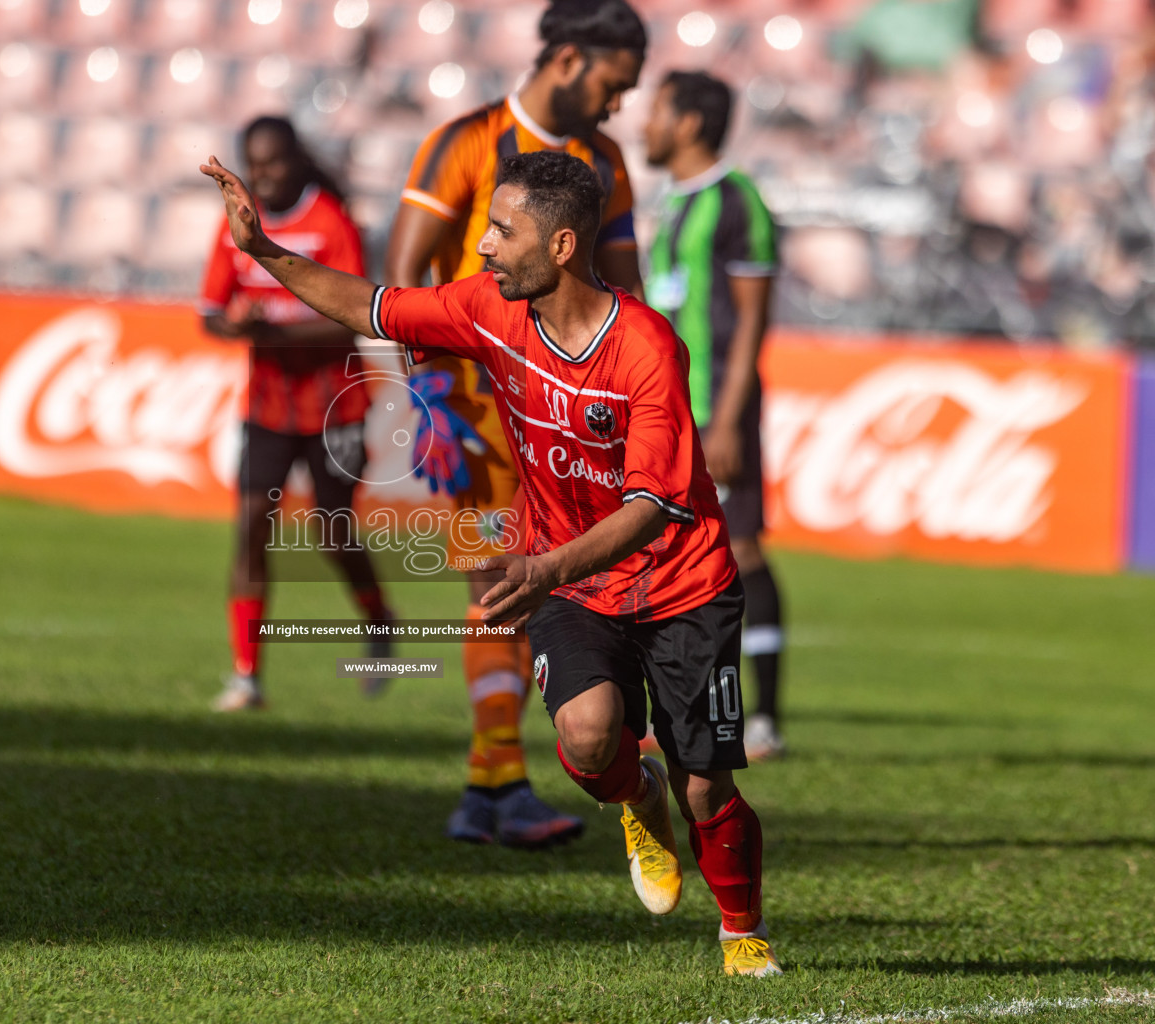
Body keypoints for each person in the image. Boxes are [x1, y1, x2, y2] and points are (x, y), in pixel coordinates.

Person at [201, 148, 782, 976]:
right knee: (587, 739)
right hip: (568, 575)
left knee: (709, 790)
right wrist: (263, 251)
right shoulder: (485, 307)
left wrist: (544, 570)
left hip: (683, 584)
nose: (482, 248)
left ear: (562, 247)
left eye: (502, 232)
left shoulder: (647, 350)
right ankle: (636, 797)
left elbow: (651, 509)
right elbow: (370, 306)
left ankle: (740, 930)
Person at [383, 0, 649, 850]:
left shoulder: (604, 161)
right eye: (615, 83)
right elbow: (402, 276)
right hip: (479, 416)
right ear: (571, 59)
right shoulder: (466, 140)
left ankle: (502, 786)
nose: (620, 104)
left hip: (578, 419)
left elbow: (628, 289)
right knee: (496, 588)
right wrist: (424, 404)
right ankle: (498, 783)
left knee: (592, 584)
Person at [200, 116, 395, 712]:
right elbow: (208, 311)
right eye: (255, 164)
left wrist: (271, 331)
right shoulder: (236, 224)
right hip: (268, 406)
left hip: (334, 403)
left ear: (298, 161)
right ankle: (246, 676)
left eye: (275, 162)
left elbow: (351, 315)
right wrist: (232, 325)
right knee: (252, 526)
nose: (264, 175)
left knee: (332, 531)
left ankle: (380, 626)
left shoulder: (329, 222)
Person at [642, 71, 787, 761]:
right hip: (664, 413)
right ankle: (678, 707)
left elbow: (754, 320)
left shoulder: (737, 200)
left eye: (657, 111)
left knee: (741, 550)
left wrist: (725, 420)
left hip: (713, 412)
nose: (645, 124)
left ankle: (764, 719)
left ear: (690, 122)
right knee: (666, 556)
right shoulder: (671, 201)